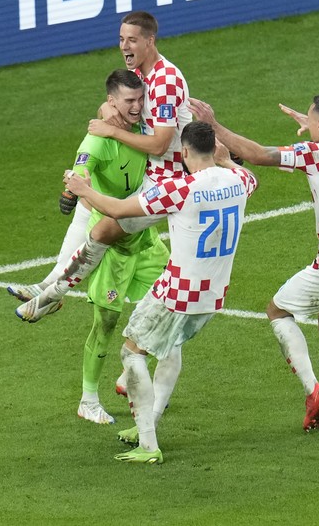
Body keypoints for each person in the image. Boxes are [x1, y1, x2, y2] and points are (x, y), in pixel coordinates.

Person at [64, 121, 258, 464]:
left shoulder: (180, 189)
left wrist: (83, 189)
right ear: (215, 148)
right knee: (169, 348)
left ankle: (149, 444)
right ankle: (147, 424)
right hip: (213, 295)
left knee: (131, 354)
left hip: (177, 293)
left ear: (184, 153)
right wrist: (228, 161)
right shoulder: (238, 181)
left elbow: (118, 210)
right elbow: (251, 179)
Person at [190, 95, 319, 432]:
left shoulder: (318, 153)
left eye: (312, 122)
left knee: (277, 311)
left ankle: (314, 393)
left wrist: (214, 125)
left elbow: (258, 155)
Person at [14, 69, 170, 424]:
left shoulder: (143, 125)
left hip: (145, 241)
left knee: (171, 308)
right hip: (113, 246)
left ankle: (134, 380)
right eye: (128, 101)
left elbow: (162, 137)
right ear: (113, 101)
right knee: (107, 323)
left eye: (139, 99)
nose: (137, 106)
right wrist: (73, 189)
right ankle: (88, 400)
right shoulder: (97, 140)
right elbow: (80, 170)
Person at [16, 10, 192, 323]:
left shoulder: (164, 81)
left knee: (104, 229)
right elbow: (123, 105)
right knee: (89, 198)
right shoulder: (141, 76)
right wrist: (108, 110)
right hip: (149, 173)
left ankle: (52, 295)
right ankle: (48, 283)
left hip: (172, 182)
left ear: (150, 41)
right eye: (121, 38)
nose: (124, 45)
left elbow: (161, 145)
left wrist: (112, 130)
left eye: (132, 40)